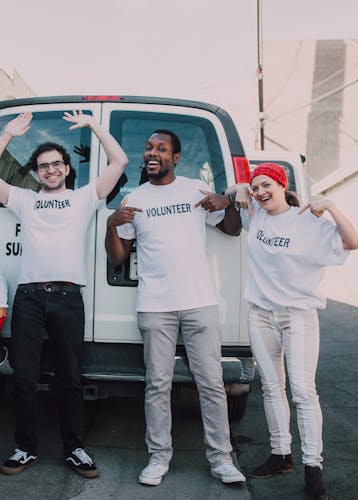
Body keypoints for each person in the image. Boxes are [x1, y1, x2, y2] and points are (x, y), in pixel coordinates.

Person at [0, 110, 128, 478]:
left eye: (56, 164)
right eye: (43, 166)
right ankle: (25, 448)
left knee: (70, 377)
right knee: (24, 378)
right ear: (36, 172)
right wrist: (8, 135)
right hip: (29, 297)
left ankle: (74, 447)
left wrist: (94, 126)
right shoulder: (25, 200)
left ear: (66, 168)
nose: (51, 170)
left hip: (68, 298)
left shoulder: (83, 198)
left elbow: (119, 161)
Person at [105, 129, 247, 487]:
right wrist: (111, 225)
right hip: (155, 306)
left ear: (176, 157)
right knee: (157, 384)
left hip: (199, 302)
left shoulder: (191, 190)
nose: (153, 153)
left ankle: (221, 459)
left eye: (161, 149)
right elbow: (118, 255)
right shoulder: (134, 198)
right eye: (149, 148)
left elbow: (232, 231)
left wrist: (226, 203)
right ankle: (158, 458)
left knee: (212, 384)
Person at [227, 163, 358, 500]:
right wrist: (240, 189)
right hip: (260, 314)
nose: (259, 193)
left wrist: (330, 206)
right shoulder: (254, 213)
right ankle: (280, 455)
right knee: (272, 388)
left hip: (298, 316)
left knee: (303, 392)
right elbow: (231, 192)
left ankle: (313, 469)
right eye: (256, 187)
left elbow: (354, 242)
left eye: (265, 185)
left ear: (282, 186)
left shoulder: (308, 221)